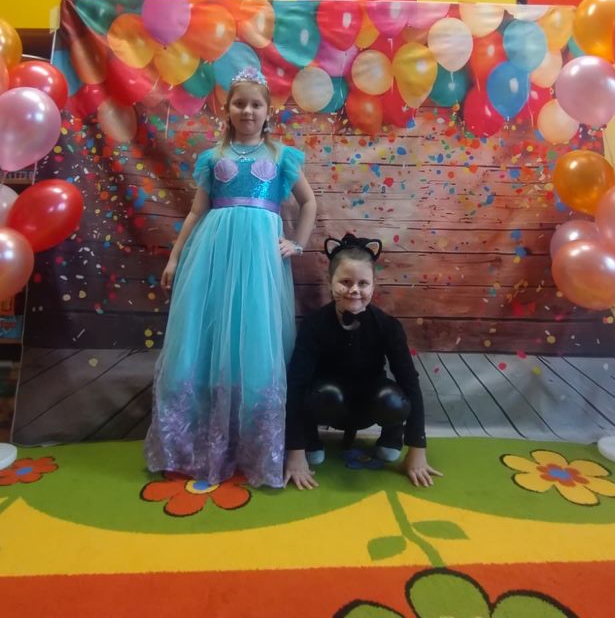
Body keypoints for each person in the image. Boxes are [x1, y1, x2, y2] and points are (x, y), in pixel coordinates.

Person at [144, 67, 317, 488]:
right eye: (240, 103)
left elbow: (309, 202)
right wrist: (175, 257)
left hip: (259, 260)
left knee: (254, 335)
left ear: (268, 110)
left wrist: (297, 243)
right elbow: (196, 211)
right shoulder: (213, 156)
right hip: (213, 254)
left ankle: (252, 444)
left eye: (256, 104)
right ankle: (191, 442)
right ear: (227, 109)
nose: (248, 111)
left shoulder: (281, 156)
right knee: (207, 335)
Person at [284, 234, 441, 490]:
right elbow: (296, 385)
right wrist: (295, 450)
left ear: (373, 286)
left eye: (363, 283)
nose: (354, 290)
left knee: (394, 398)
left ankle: (391, 437)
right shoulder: (313, 325)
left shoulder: (388, 326)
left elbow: (410, 383)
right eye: (345, 282)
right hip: (328, 402)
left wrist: (417, 448)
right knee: (322, 393)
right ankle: (311, 439)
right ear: (330, 282)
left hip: (371, 404)